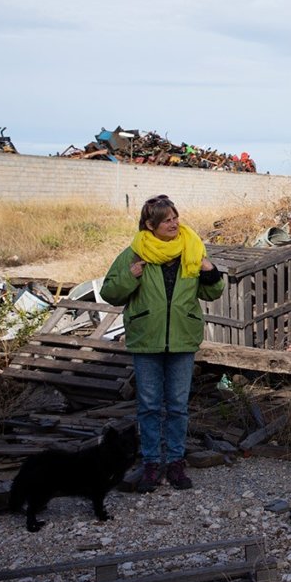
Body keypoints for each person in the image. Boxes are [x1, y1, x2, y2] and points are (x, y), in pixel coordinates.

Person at [101, 195, 225, 493]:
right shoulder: (133, 254)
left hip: (183, 339)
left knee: (179, 406)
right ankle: (151, 464)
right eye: (167, 220)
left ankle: (176, 463)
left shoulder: (191, 249)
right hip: (147, 340)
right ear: (150, 225)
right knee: (149, 406)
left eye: (175, 217)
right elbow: (110, 293)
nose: (174, 223)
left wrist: (209, 273)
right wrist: (130, 278)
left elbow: (213, 293)